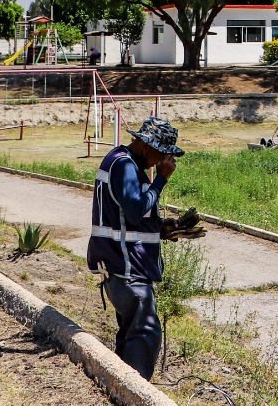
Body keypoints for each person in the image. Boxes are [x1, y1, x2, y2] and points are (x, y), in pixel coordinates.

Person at [87, 115, 183, 380]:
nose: (163, 161)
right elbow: (135, 208)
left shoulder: (119, 161)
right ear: (146, 146)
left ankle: (119, 387)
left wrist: (161, 228)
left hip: (119, 267)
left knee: (131, 335)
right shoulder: (126, 166)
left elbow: (125, 217)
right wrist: (161, 180)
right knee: (144, 335)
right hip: (128, 270)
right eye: (161, 155)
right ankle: (135, 392)